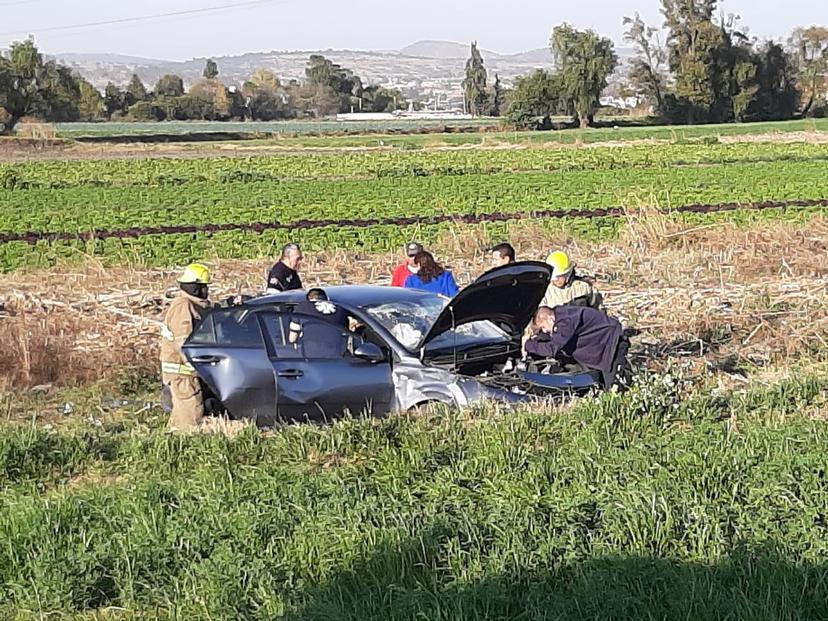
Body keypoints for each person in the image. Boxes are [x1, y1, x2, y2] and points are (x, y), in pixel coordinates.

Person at [160, 263, 214, 432]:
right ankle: (184, 449)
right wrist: (195, 365)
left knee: (182, 415)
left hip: (186, 373)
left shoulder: (193, 305)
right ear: (196, 287)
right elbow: (183, 341)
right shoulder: (183, 306)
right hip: (182, 374)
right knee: (190, 419)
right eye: (204, 287)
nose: (206, 290)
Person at [523, 305, 629, 389]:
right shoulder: (560, 315)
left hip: (611, 345)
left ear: (550, 319)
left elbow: (552, 348)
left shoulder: (566, 322)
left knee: (615, 390)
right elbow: (552, 335)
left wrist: (528, 345)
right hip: (599, 347)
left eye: (543, 328)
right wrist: (533, 339)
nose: (544, 331)